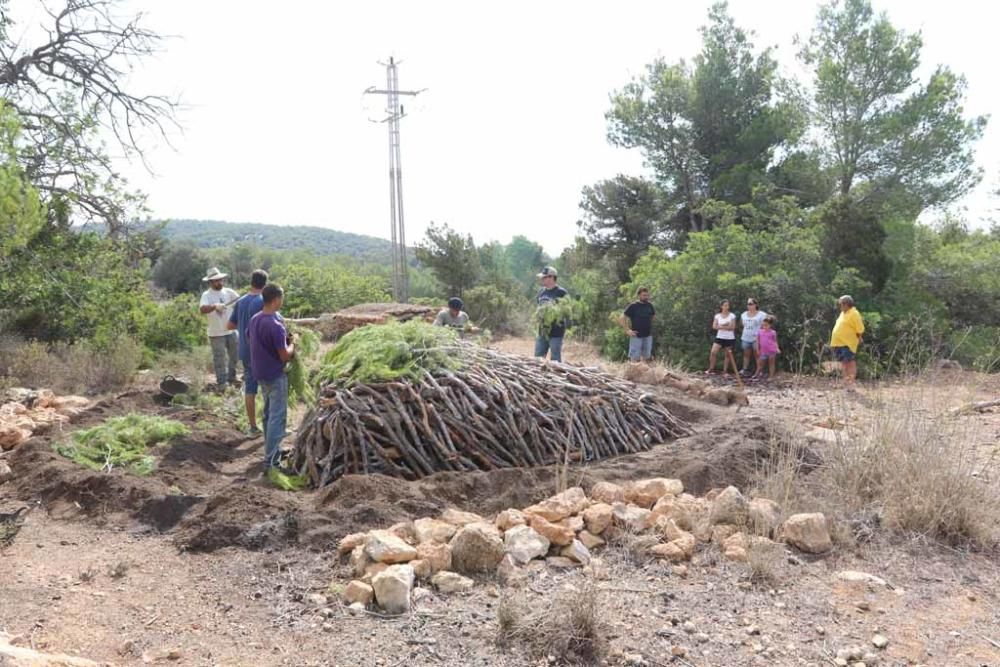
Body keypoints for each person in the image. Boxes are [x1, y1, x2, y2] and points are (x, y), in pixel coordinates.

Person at [247, 284, 295, 470]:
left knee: (268, 414)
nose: (282, 301)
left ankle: (271, 450)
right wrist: (293, 345)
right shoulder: (275, 325)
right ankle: (272, 461)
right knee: (277, 416)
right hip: (275, 375)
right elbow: (285, 356)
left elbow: (251, 339)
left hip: (260, 373)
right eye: (281, 298)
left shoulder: (255, 319)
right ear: (275, 299)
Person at [227, 269, 268, 435]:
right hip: (261, 353)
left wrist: (244, 325)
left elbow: (230, 326)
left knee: (250, 389)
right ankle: (270, 427)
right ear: (265, 284)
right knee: (268, 389)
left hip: (245, 351)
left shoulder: (241, 301)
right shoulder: (263, 301)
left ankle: (252, 427)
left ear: (251, 282)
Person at [199, 267, 239, 389]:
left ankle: (232, 378)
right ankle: (222, 383)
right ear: (210, 282)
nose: (219, 282)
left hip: (231, 330)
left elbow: (240, 301)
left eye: (220, 280)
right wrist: (214, 306)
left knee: (235, 356)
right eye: (216, 281)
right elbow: (202, 309)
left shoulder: (229, 292)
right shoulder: (206, 295)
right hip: (216, 333)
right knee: (220, 359)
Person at [534, 266, 569, 363]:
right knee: (538, 358)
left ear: (551, 278)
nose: (542, 279)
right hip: (542, 331)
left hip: (556, 332)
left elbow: (566, 311)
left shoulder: (561, 292)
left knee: (555, 360)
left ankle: (556, 377)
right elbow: (538, 306)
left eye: (544, 277)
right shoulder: (541, 291)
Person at [830, 294, 865, 389]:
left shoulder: (854, 313)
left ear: (846, 304)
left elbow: (859, 329)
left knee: (850, 362)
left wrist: (859, 338)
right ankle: (845, 383)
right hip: (839, 343)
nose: (839, 306)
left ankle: (851, 384)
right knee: (843, 363)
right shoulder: (843, 313)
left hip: (847, 343)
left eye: (841, 304)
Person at [621, 287, 655, 363]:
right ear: (639, 295)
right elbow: (622, 317)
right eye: (644, 295)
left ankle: (645, 373)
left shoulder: (649, 305)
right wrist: (627, 330)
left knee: (647, 357)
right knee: (634, 358)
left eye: (647, 295)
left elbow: (653, 316)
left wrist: (647, 324)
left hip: (648, 335)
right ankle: (632, 373)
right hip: (636, 335)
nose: (646, 297)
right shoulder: (633, 306)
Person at [706, 299, 737, 376]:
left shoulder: (732, 315)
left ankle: (725, 371)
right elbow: (714, 326)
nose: (727, 307)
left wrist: (720, 326)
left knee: (727, 355)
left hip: (729, 338)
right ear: (721, 306)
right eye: (725, 305)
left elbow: (732, 327)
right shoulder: (717, 316)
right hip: (719, 337)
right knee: (713, 352)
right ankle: (711, 369)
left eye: (728, 305)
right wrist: (725, 325)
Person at [739, 298, 767, 377]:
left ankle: (759, 371)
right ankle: (745, 369)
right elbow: (742, 324)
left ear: (756, 305)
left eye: (751, 304)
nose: (749, 306)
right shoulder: (744, 314)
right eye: (748, 304)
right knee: (746, 354)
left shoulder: (762, 314)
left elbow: (765, 325)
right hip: (746, 337)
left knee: (757, 354)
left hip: (756, 338)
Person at [755, 316, 780, 380]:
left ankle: (771, 376)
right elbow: (757, 341)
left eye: (766, 325)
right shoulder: (759, 331)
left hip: (772, 350)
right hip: (763, 351)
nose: (764, 327)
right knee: (760, 364)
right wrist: (757, 349)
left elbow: (775, 341)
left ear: (770, 325)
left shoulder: (773, 332)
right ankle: (757, 374)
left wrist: (777, 348)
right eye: (763, 325)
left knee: (771, 363)